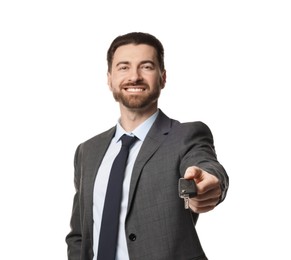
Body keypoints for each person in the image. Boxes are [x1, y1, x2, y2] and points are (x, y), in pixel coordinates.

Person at [66, 32, 229, 260]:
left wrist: (212, 184)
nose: (134, 77)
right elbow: (80, 234)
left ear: (163, 78)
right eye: (123, 67)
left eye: (146, 67)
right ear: (109, 78)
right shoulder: (87, 151)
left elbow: (206, 166)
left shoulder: (186, 136)